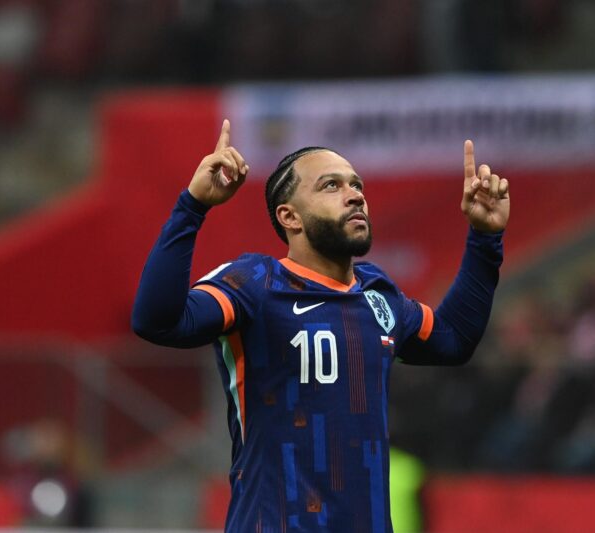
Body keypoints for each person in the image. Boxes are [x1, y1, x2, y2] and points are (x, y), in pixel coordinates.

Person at [131, 119, 509, 532]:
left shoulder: (378, 294)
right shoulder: (254, 284)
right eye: (331, 186)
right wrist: (192, 206)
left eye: (356, 185)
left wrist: (484, 239)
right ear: (290, 217)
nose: (354, 196)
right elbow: (158, 321)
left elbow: (453, 339)